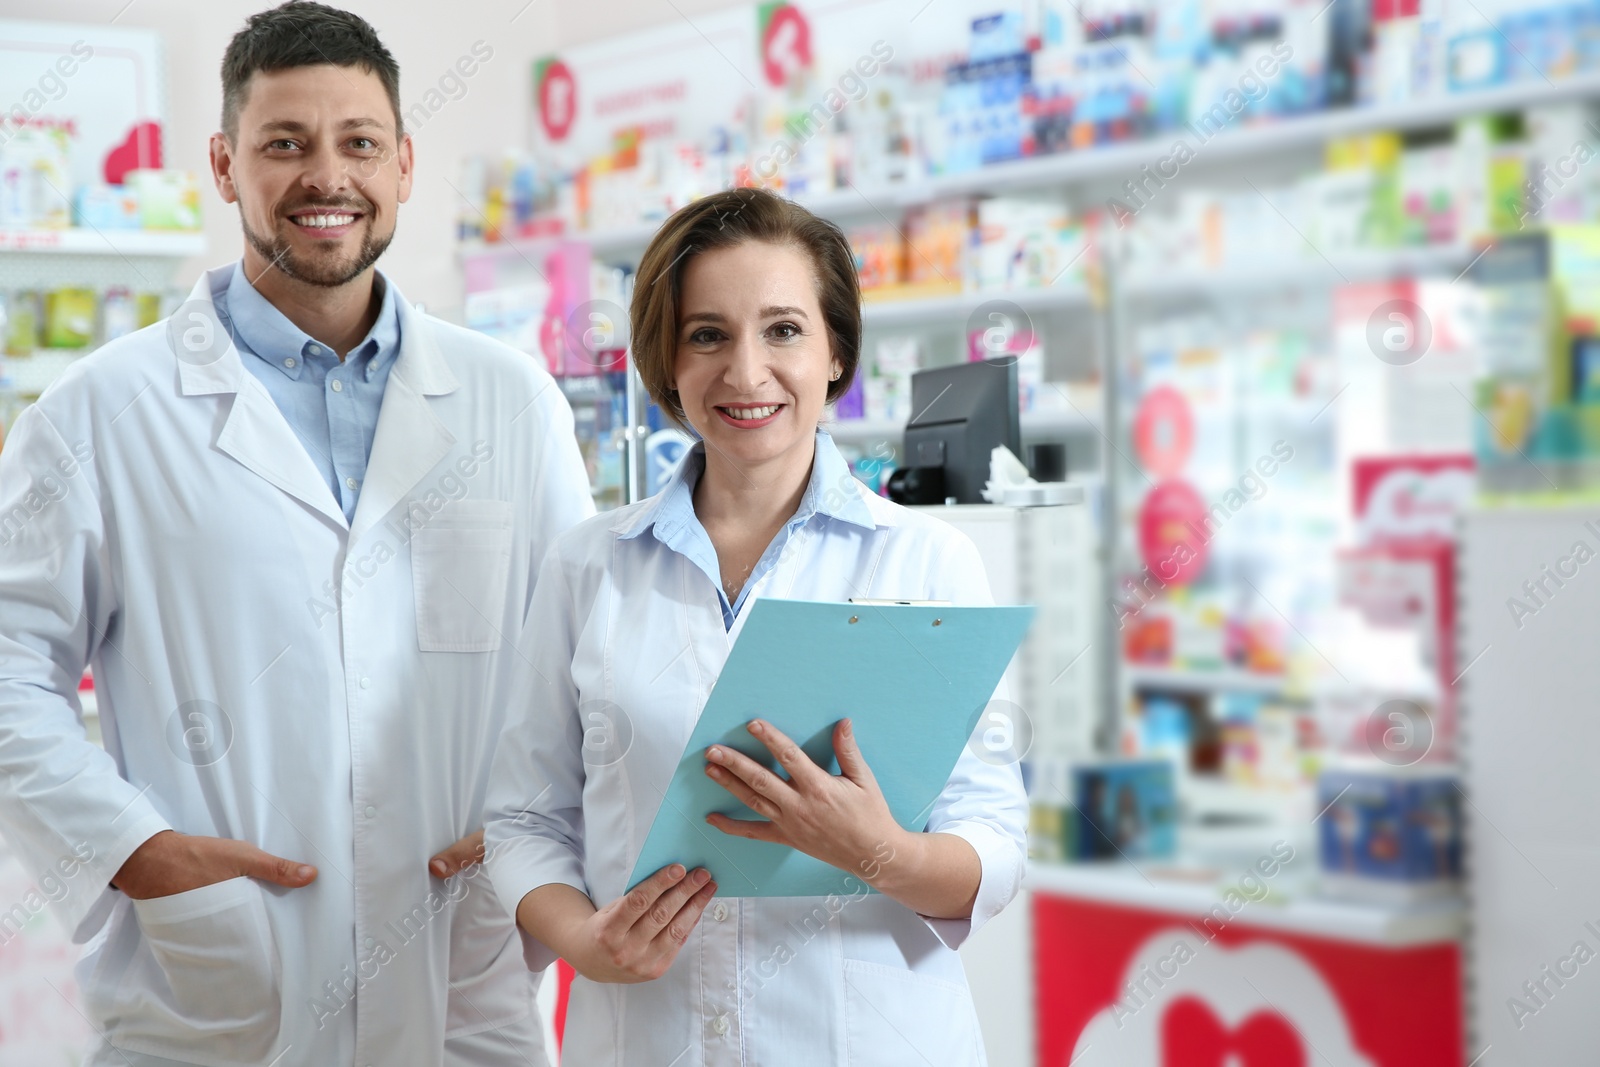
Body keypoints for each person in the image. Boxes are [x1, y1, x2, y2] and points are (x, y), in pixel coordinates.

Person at [0, 4, 591, 1065]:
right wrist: (133, 849)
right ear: (225, 166)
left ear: (404, 163)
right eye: (285, 144)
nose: (329, 176)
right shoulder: (98, 413)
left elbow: (587, 654)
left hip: (465, 985)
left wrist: (540, 831)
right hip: (218, 996)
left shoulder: (512, 401)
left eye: (359, 142)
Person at [483, 187, 1027, 1065]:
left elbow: (994, 839)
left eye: (783, 330)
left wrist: (882, 853)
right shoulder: (588, 565)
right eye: (708, 334)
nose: (745, 372)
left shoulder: (927, 562)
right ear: (667, 359)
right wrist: (582, 941)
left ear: (836, 353)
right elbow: (522, 821)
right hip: (646, 1036)